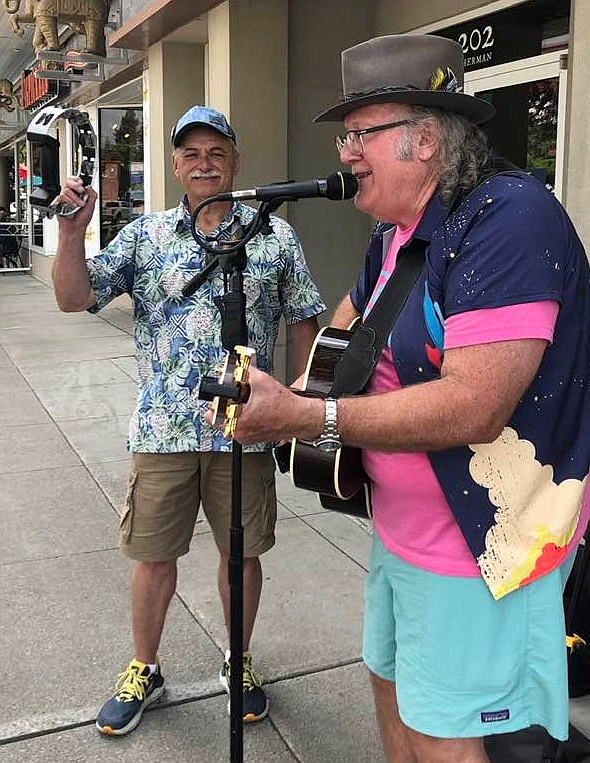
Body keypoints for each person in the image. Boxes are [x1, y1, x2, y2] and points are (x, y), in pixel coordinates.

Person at [212, 35, 590, 763]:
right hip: (404, 528)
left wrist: (311, 416)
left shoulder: (509, 218)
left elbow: (475, 406)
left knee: (444, 732)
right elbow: (350, 331)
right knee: (392, 687)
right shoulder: (397, 230)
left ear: (424, 138)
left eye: (361, 134)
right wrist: (276, 396)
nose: (346, 153)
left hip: (481, 538)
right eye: (346, 137)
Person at [51, 105, 325, 736]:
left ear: (235, 163)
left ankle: (239, 659)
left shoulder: (273, 237)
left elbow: (307, 312)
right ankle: (143, 667)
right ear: (175, 165)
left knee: (242, 555)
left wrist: (304, 395)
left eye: (217, 153)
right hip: (163, 430)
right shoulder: (146, 238)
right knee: (153, 556)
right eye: (192, 154)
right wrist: (69, 234)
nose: (205, 164)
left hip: (246, 430)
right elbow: (73, 297)